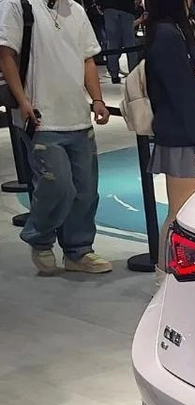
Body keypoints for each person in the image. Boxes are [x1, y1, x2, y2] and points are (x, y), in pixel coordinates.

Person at [0, 0, 114, 275]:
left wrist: (97, 99)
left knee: (86, 191)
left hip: (77, 116)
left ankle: (78, 251)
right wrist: (22, 100)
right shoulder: (17, 5)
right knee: (58, 186)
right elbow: (6, 55)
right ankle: (40, 237)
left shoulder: (75, 9)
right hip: (40, 118)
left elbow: (87, 58)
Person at [143, 0, 195, 278]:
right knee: (180, 214)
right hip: (183, 139)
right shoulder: (166, 34)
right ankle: (163, 276)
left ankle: (194, 271)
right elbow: (181, 96)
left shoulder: (186, 27)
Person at [100, 0, 140, 83]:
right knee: (130, 43)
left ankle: (114, 75)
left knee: (112, 42)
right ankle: (133, 74)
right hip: (127, 7)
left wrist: (99, 3)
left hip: (109, 6)